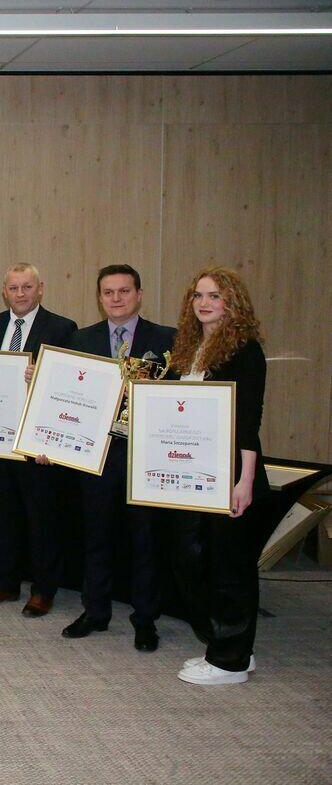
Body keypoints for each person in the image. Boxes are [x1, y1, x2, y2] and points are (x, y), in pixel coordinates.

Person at [166, 267, 271, 685]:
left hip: (230, 473)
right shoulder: (189, 348)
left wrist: (243, 482)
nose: (204, 303)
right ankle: (229, 646)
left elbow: (248, 422)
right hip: (190, 473)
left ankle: (230, 662)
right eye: (198, 295)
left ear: (232, 303)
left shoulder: (245, 351)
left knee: (229, 568)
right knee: (188, 560)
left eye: (214, 296)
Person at [63, 264, 174, 653]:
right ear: (99, 297)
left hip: (145, 456)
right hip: (97, 455)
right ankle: (95, 611)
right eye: (108, 292)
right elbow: (67, 394)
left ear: (139, 294)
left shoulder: (166, 340)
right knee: (96, 537)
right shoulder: (81, 339)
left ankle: (145, 620)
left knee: (145, 540)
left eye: (124, 291)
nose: (116, 298)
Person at [0, 263, 77, 617]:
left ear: (40, 288)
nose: (20, 294)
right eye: (13, 288)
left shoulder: (62, 328)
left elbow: (68, 389)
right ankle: (6, 582)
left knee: (42, 518)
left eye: (27, 287)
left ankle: (43, 589)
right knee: (2, 516)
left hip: (36, 443)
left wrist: (43, 376)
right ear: (4, 291)